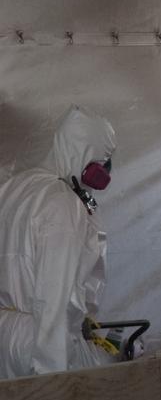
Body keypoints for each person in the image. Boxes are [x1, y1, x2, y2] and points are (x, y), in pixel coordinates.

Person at [0, 105, 117, 378]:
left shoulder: (13, 189)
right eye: (103, 159)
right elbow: (55, 300)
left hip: (6, 335)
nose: (104, 170)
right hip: (39, 342)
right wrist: (55, 376)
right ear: (84, 153)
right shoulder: (61, 202)